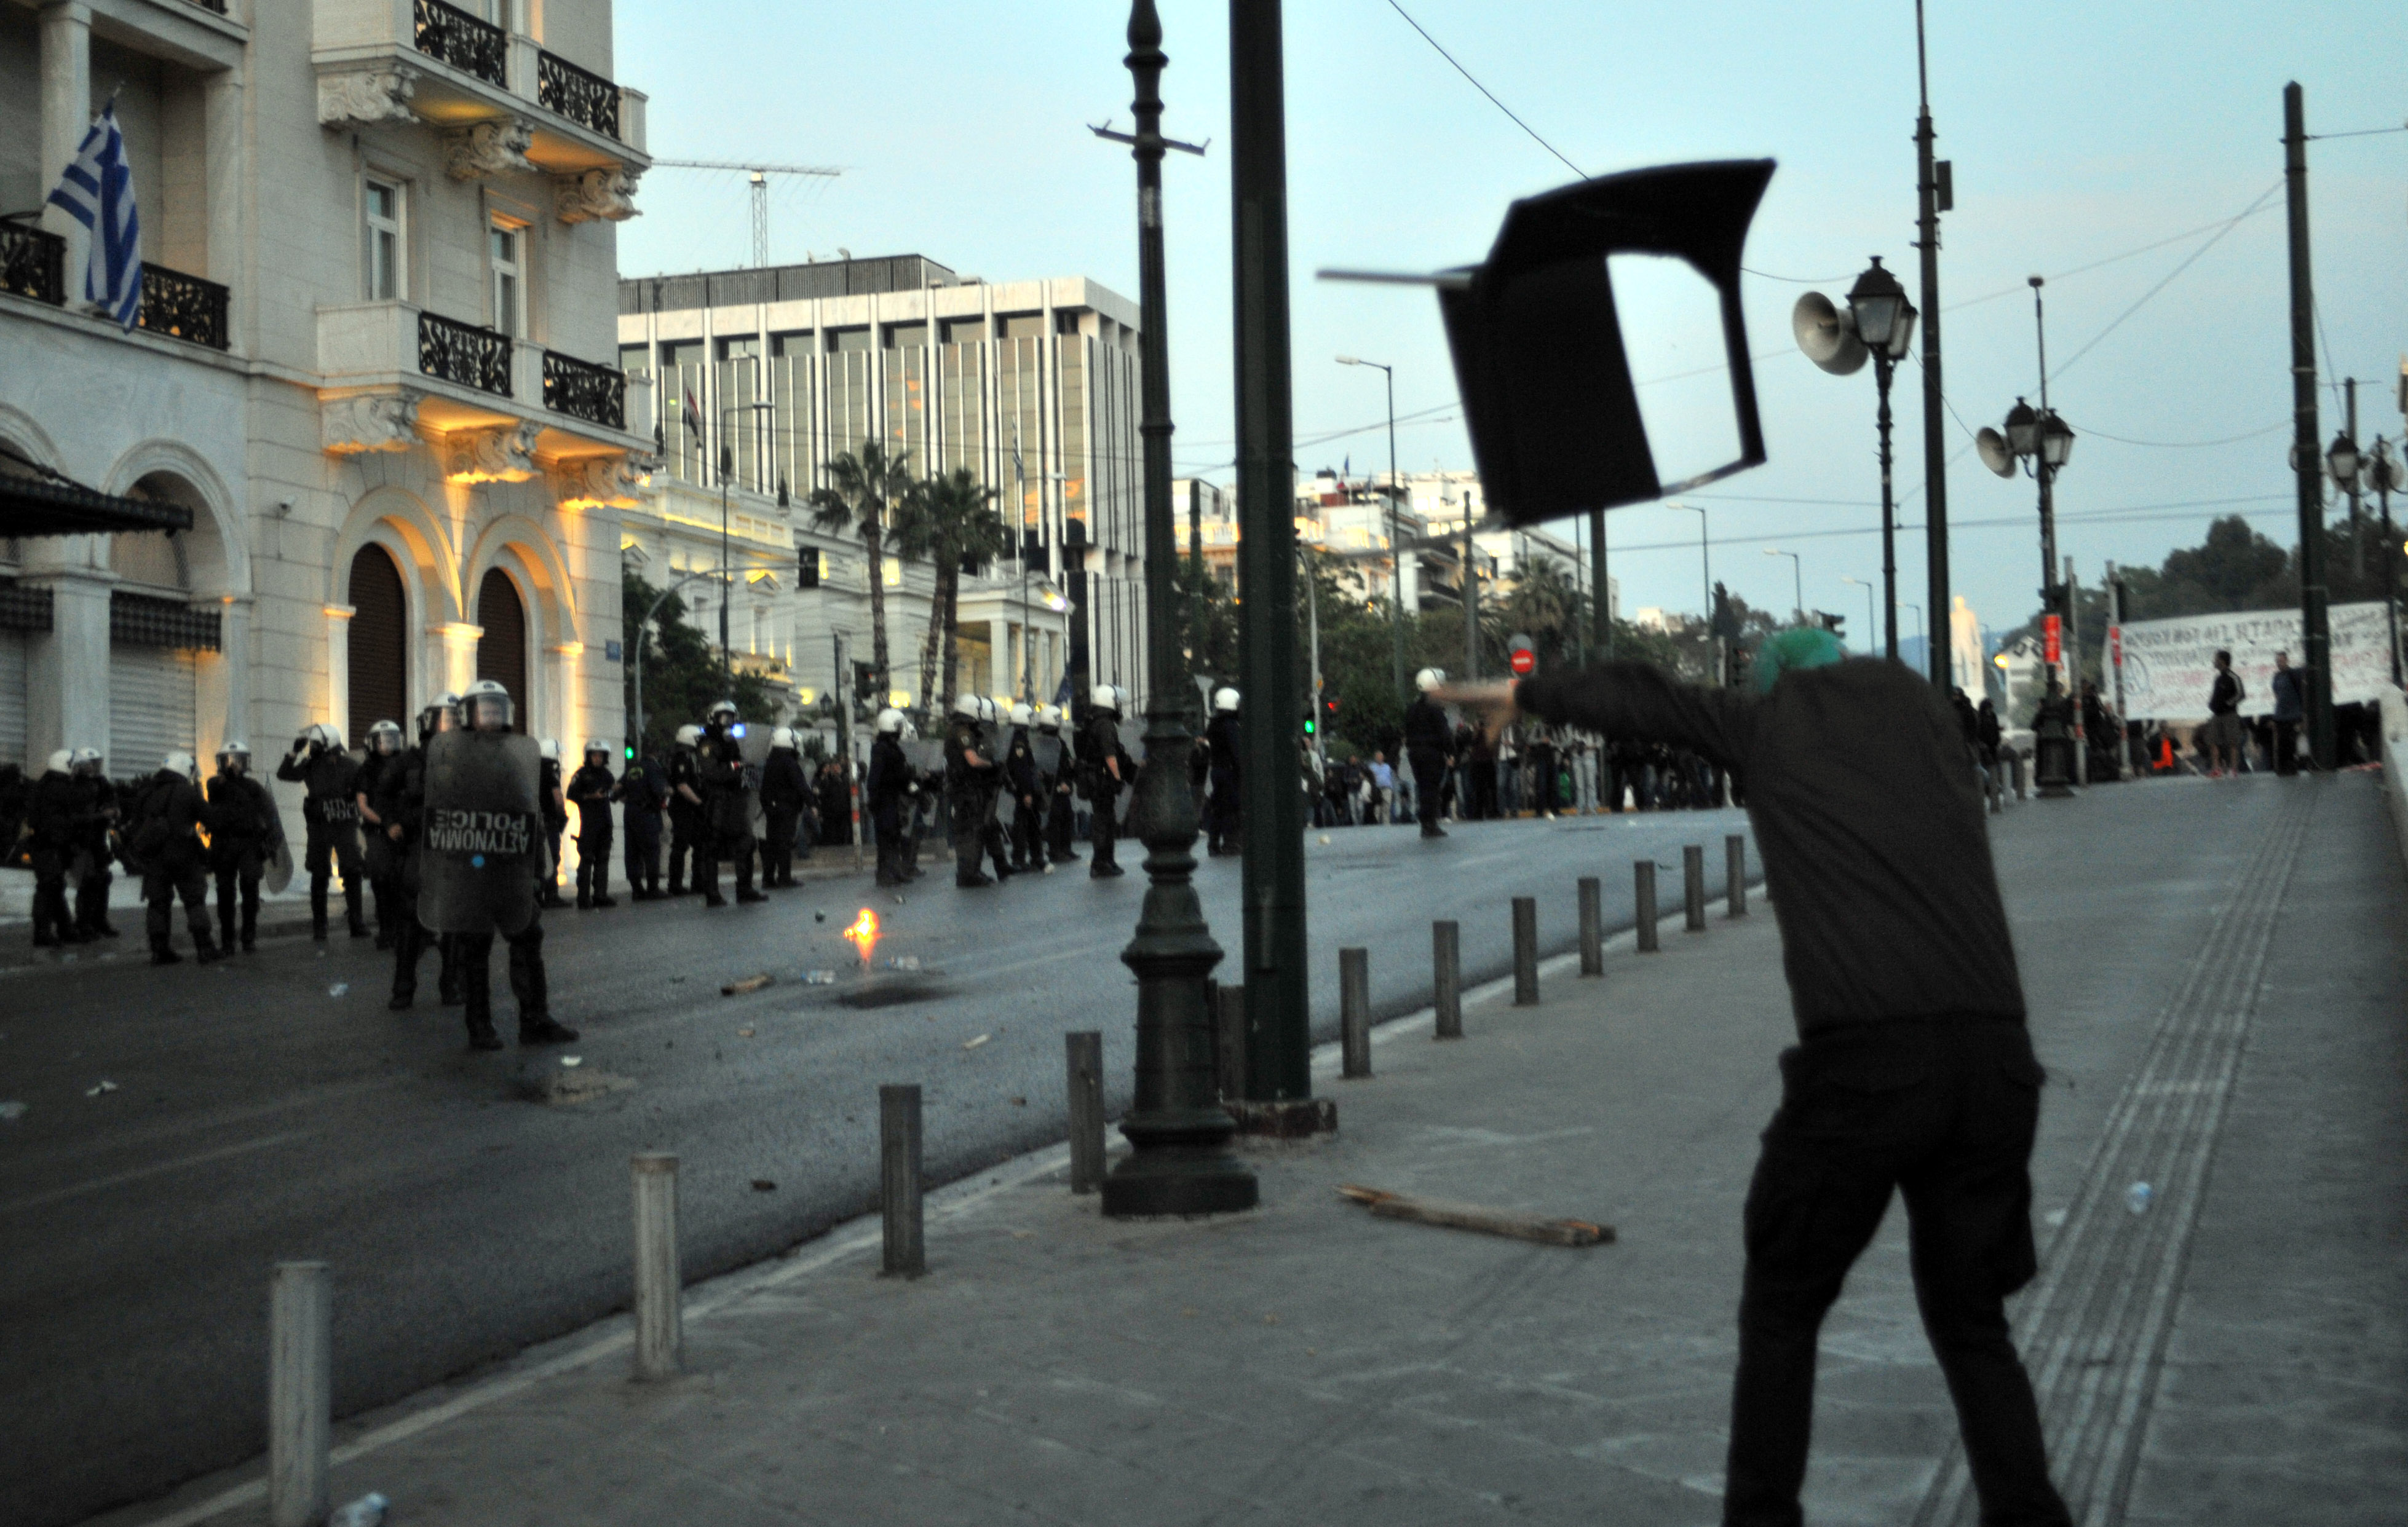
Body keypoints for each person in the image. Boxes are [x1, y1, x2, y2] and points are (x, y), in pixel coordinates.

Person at [1444, 628, 2072, 1527]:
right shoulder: (1930, 726)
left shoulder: (1772, 727)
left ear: (1778, 689)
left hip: (1865, 1065)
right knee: (1972, 1320)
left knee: (1783, 1305)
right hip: (1994, 1059)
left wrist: (1531, 695)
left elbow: (1648, 697)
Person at [421, 679, 577, 1050]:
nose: (492, 717)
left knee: (528, 936)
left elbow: (530, 815)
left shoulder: (515, 758)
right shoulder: (450, 761)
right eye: (485, 710)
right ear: (467, 716)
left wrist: (539, 868)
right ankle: (480, 1026)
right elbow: (441, 820)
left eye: (498, 709)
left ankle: (534, 1019)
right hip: (473, 867)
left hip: (511, 870)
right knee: (476, 947)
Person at [388, 692, 461, 1010]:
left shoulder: (469, 758)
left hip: (455, 845)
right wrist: (390, 822)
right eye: (444, 718)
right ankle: (403, 990)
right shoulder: (410, 760)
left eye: (455, 719)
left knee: (456, 923)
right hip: (419, 845)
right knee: (410, 922)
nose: (449, 725)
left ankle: (452, 987)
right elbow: (383, 793)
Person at [124, 751, 223, 965]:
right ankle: (204, 947)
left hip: (155, 857)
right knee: (194, 901)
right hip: (184, 855)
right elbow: (211, 819)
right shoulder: (186, 792)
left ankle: (160, 951)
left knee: (157, 903)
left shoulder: (147, 791)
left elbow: (135, 824)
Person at [277, 723, 368, 939]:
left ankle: (357, 922)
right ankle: (320, 927)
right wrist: (294, 752)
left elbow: (364, 787)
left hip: (344, 824)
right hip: (319, 826)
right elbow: (285, 774)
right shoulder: (310, 765)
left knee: (352, 871)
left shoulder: (349, 765)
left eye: (316, 743)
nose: (313, 747)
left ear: (329, 743)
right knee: (319, 874)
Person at [207, 741, 279, 953]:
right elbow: (214, 790)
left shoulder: (254, 787)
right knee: (225, 892)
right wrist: (227, 777)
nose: (235, 765)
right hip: (224, 843)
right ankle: (227, 941)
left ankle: (249, 937)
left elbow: (268, 812)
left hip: (249, 843)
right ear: (222, 763)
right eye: (230, 761)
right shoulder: (215, 784)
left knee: (250, 888)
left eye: (238, 761)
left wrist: (268, 839)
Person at [695, 700, 765, 907]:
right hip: (716, 801)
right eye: (723, 718)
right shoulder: (707, 743)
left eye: (731, 718)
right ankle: (712, 893)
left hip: (735, 801)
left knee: (746, 842)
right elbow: (712, 772)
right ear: (714, 719)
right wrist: (735, 770)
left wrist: (746, 769)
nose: (727, 722)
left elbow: (738, 765)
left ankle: (744, 889)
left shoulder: (731, 742)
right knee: (712, 847)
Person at [352, 721, 408, 947]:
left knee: (407, 880)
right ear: (372, 744)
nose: (387, 746)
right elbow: (363, 806)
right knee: (382, 879)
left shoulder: (405, 765)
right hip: (379, 831)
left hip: (405, 829)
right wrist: (386, 823)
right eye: (382, 741)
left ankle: (413, 931)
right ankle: (387, 930)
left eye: (391, 740)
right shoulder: (366, 769)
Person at [26, 750, 82, 947]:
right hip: (51, 847)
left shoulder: (45, 785)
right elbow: (61, 821)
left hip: (46, 846)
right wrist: (65, 845)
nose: (76, 771)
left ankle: (64, 928)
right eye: (73, 766)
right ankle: (44, 932)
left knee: (54, 887)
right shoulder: (59, 788)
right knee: (49, 888)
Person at [67, 749, 121, 939]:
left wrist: (114, 811)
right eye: (91, 762)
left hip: (98, 838)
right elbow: (74, 816)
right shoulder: (75, 785)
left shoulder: (101, 782)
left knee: (103, 879)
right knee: (88, 881)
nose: (95, 766)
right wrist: (100, 816)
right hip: (83, 840)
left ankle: (99, 921)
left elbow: (111, 799)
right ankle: (84, 922)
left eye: (97, 762)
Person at [565, 740, 619, 909]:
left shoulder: (607, 775)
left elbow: (614, 794)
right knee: (587, 860)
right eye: (595, 756)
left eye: (601, 756)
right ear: (589, 757)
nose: (598, 759)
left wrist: (619, 791)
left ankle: (600, 896)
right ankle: (583, 898)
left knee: (603, 859)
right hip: (589, 824)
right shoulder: (581, 775)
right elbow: (571, 794)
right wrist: (590, 796)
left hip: (605, 822)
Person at [1083, 684, 1128, 877]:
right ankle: (1101, 863)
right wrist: (1117, 777)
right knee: (1104, 821)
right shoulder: (1105, 725)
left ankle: (1105, 861)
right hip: (1101, 779)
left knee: (1106, 819)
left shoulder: (1095, 721)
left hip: (1095, 778)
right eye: (1117, 703)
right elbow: (1110, 755)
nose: (1119, 707)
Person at [867, 708, 915, 886]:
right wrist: (874, 799)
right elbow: (877, 777)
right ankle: (884, 874)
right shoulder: (881, 749)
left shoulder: (893, 748)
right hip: (884, 800)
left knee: (894, 836)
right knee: (886, 838)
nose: (902, 729)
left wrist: (913, 787)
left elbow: (901, 775)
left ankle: (895, 871)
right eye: (899, 725)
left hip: (892, 798)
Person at [759, 727, 810, 888]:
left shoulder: (770, 762)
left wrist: (767, 805)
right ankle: (784, 877)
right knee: (784, 844)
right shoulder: (789, 762)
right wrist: (812, 803)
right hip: (787, 808)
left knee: (772, 844)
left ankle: (768, 878)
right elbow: (800, 785)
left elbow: (765, 788)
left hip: (772, 809)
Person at [1404, 670, 1454, 839]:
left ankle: (1426, 823)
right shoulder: (1435, 708)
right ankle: (1430, 824)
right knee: (1432, 789)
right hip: (1432, 753)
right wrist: (1451, 752)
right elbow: (1444, 733)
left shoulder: (1412, 709)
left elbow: (1406, 732)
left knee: (1423, 788)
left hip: (1415, 754)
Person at [616, 740, 668, 899]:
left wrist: (630, 800)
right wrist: (670, 791)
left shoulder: (633, 768)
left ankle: (637, 890)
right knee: (651, 851)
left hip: (630, 813)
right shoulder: (654, 768)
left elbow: (616, 789)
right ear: (656, 753)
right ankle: (653, 889)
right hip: (647, 814)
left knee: (632, 852)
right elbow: (659, 790)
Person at [1004, 704, 1046, 872]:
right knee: (1023, 825)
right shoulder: (1019, 741)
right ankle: (1020, 859)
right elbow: (1021, 769)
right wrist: (1027, 793)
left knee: (1030, 824)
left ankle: (1035, 858)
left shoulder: (1019, 738)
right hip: (1023, 790)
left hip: (1024, 787)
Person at [1039, 704, 1082, 866]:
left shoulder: (1059, 742)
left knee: (1067, 817)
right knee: (1055, 819)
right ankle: (1055, 851)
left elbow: (1066, 763)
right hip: (1052, 789)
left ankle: (1066, 848)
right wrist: (1058, 784)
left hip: (1063, 786)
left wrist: (1070, 776)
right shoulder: (1044, 743)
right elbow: (1046, 768)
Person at [666, 724, 705, 894]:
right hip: (684, 809)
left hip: (689, 809)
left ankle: (697, 882)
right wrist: (699, 803)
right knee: (681, 846)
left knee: (699, 845)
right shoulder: (681, 759)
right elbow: (682, 786)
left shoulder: (689, 758)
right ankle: (675, 885)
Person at [1205, 687, 1242, 856]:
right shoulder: (1231, 725)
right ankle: (1230, 843)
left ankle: (1213, 843)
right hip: (1229, 771)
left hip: (1217, 770)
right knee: (1232, 807)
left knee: (1218, 807)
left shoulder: (1214, 725)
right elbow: (1236, 750)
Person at [536, 739, 571, 909]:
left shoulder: (532, 769)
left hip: (535, 820)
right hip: (549, 822)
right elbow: (558, 798)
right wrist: (562, 815)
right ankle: (551, 895)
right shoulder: (551, 772)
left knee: (537, 860)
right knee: (552, 858)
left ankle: (536, 895)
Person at [2203, 649, 2245, 778]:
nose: (2214, 662)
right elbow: (2216, 695)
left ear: (2222, 661)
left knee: (2232, 742)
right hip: (2217, 715)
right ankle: (2216, 769)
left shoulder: (2233, 677)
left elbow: (2241, 695)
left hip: (2230, 715)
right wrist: (2212, 704)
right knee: (2212, 741)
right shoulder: (2218, 679)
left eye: (2216, 659)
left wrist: (2227, 704)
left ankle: (2233, 769)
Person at [2269, 650, 2303, 776]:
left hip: (2293, 714)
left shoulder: (2294, 674)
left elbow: (2301, 691)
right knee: (2282, 743)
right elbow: (2276, 694)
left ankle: (2291, 766)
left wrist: (2302, 714)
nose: (2279, 663)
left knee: (2291, 742)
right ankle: (2282, 767)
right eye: (2277, 661)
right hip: (2281, 715)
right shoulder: (2277, 677)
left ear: (2287, 661)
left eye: (2281, 661)